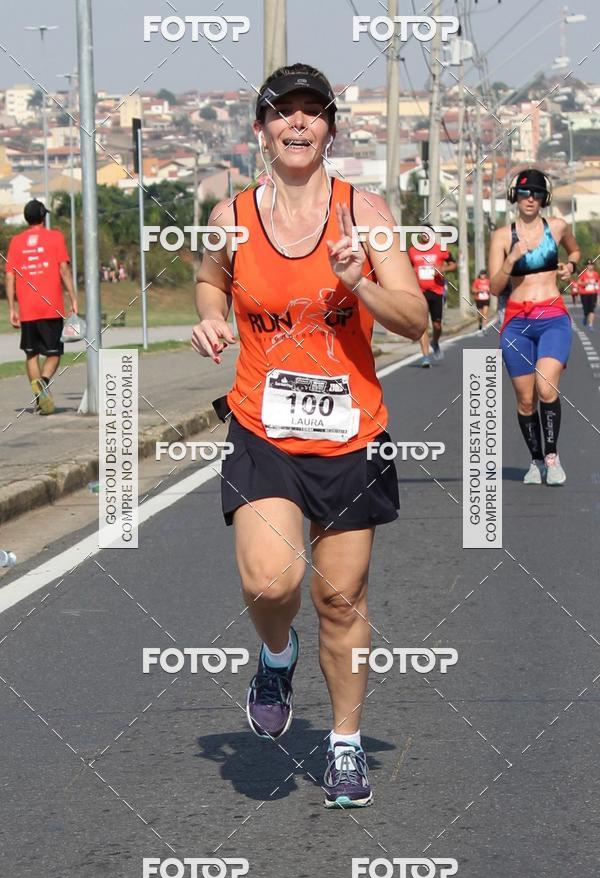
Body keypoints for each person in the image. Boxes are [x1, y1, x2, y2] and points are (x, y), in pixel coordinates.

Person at [192, 63, 427, 808]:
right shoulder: (232, 215)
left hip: (352, 434)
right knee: (271, 581)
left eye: (311, 113)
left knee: (341, 600)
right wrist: (211, 314)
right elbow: (209, 275)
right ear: (260, 129)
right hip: (264, 425)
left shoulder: (367, 212)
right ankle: (274, 653)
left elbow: (417, 323)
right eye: (281, 113)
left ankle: (347, 745)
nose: (297, 125)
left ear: (330, 127)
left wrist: (358, 281)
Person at [489, 168, 579, 485]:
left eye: (537, 194)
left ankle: (552, 458)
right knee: (526, 400)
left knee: (545, 387)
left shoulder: (556, 227)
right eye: (526, 193)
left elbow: (575, 249)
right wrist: (510, 260)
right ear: (515, 196)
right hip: (516, 322)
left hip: (552, 316)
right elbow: (495, 287)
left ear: (545, 198)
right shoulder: (502, 236)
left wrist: (571, 265)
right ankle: (536, 460)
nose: (531, 199)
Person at [5, 199, 78, 415]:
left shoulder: (16, 242)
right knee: (54, 352)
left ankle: (39, 397)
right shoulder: (55, 237)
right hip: (51, 306)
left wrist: (11, 308)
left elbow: (9, 277)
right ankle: (43, 384)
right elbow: (64, 269)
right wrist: (73, 297)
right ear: (43, 217)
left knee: (31, 354)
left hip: (27, 308)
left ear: (27, 218)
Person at [408, 236, 457, 367]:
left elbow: (454, 264)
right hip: (419, 292)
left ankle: (434, 342)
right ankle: (425, 357)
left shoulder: (440, 249)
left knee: (437, 325)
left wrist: (442, 269)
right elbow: (406, 267)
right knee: (422, 324)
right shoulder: (412, 250)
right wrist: (412, 271)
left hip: (437, 291)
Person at [577, 259, 599, 330]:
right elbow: (579, 282)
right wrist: (586, 283)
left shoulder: (596, 274)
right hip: (584, 294)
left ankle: (590, 325)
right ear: (586, 266)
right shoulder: (583, 274)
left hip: (593, 294)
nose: (590, 266)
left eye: (591, 265)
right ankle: (585, 316)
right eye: (589, 265)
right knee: (586, 309)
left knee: (592, 309)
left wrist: (596, 285)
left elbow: (598, 282)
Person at [471, 268, 491, 334]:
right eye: (481, 274)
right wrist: (479, 290)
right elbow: (473, 290)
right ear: (479, 275)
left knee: (485, 314)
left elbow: (492, 289)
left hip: (486, 299)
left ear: (485, 275)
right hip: (479, 299)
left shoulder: (488, 281)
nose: (483, 275)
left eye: (484, 274)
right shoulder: (477, 281)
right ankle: (480, 324)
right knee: (480, 314)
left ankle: (484, 327)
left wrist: (488, 290)